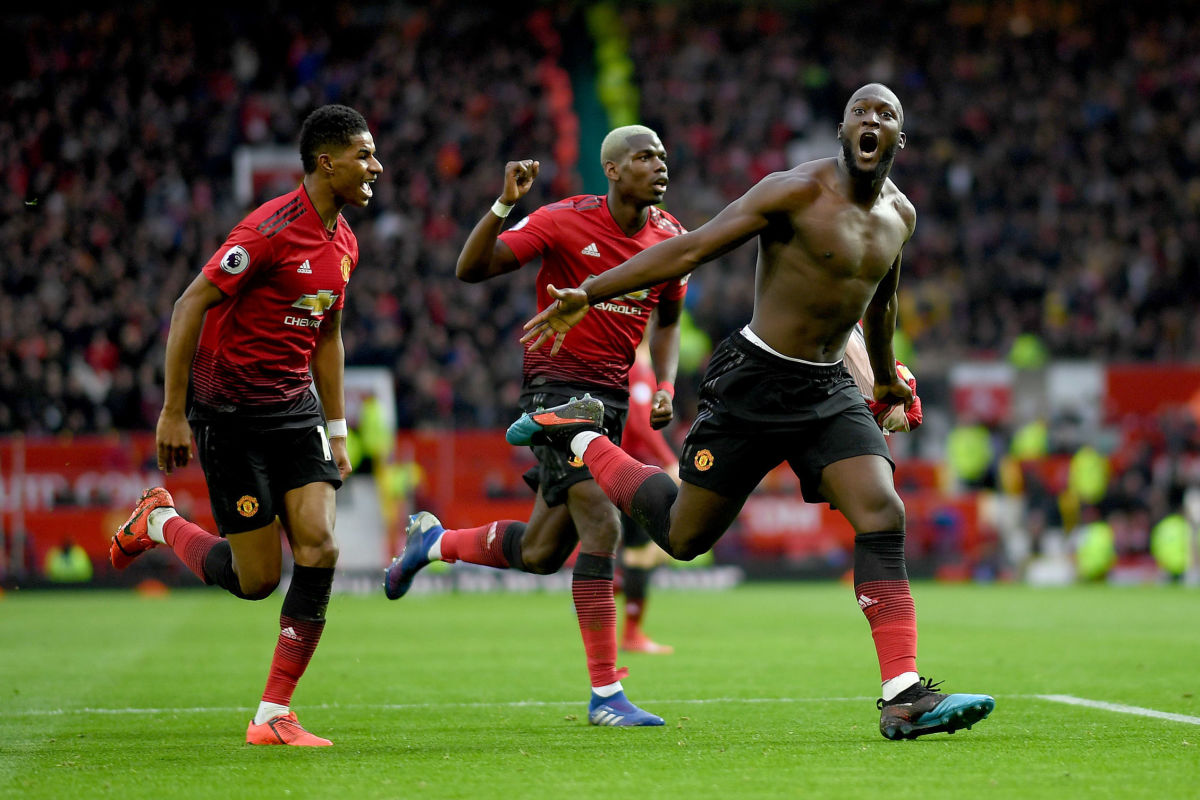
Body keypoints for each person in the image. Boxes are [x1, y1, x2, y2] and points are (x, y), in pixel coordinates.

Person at [513, 84, 995, 740]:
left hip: (826, 390)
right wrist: (590, 293)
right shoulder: (791, 190)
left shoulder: (900, 216)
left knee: (883, 511)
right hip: (755, 379)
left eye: (886, 115)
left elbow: (880, 304)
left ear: (898, 140)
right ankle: (576, 436)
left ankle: (903, 694)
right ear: (843, 129)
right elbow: (693, 247)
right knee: (682, 538)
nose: (872, 120)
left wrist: (885, 382)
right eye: (861, 111)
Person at [384, 125, 687, 727]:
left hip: (612, 399)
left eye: (662, 155)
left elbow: (670, 321)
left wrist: (668, 385)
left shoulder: (669, 236)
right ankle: (606, 696)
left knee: (545, 551)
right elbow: (471, 269)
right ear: (612, 169)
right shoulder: (564, 220)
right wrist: (504, 205)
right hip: (556, 387)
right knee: (603, 524)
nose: (659, 165)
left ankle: (433, 542)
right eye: (644, 156)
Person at [109, 104, 382, 746]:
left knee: (319, 547)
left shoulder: (345, 243)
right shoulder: (266, 231)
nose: (375, 167)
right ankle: (158, 521)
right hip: (229, 416)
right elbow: (188, 306)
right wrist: (173, 411)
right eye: (364, 155)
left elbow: (330, 335)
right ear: (326, 161)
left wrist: (338, 428)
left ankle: (272, 714)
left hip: (295, 412)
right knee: (257, 580)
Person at [617, 338, 679, 654]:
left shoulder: (620, 366)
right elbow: (640, 421)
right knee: (642, 554)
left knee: (639, 552)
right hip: (630, 471)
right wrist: (669, 460)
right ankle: (631, 633)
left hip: (612, 465)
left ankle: (613, 582)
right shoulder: (638, 369)